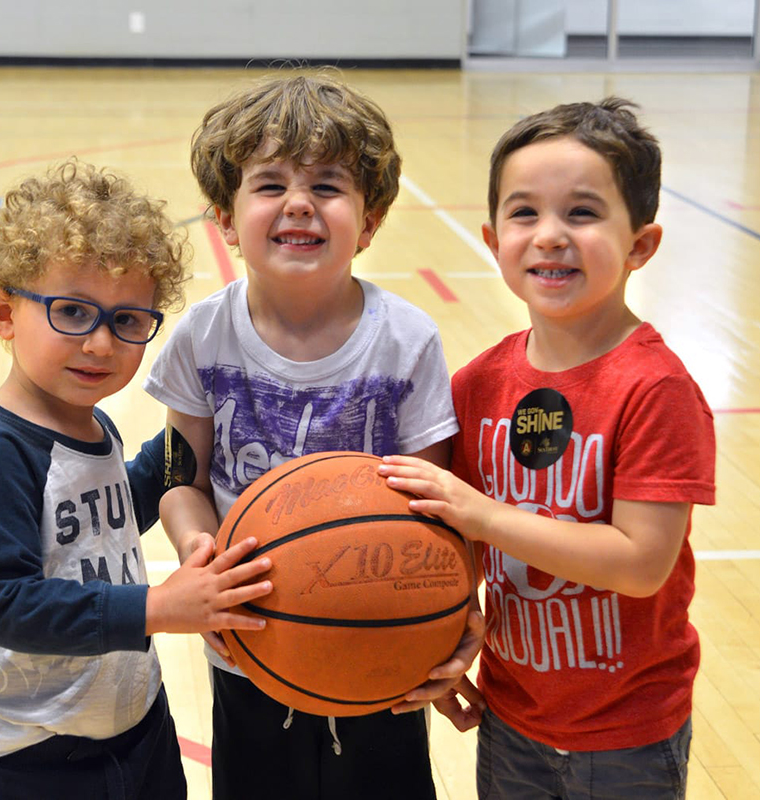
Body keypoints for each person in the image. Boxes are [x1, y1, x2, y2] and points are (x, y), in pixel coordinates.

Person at [143, 72, 481, 800]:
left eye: (328, 185)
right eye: (269, 185)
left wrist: (453, 612)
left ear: (373, 216)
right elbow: (180, 477)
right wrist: (201, 556)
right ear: (225, 218)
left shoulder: (406, 341)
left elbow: (440, 508)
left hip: (383, 638)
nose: (299, 203)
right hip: (253, 640)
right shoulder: (202, 337)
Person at [379, 97, 716, 799]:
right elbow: (460, 547)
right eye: (525, 213)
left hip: (629, 732)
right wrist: (449, 641)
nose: (550, 236)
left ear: (640, 245)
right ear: (492, 236)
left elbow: (641, 564)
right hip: (513, 715)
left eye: (583, 213)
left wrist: (483, 516)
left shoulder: (655, 389)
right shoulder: (478, 385)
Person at [0, 159, 274, 799]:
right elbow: (8, 604)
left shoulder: (91, 427)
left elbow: (117, 502)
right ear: (3, 314)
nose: (100, 345)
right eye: (72, 312)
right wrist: (159, 607)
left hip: (135, 727)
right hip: (22, 757)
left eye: (127, 321)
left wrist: (211, 416)